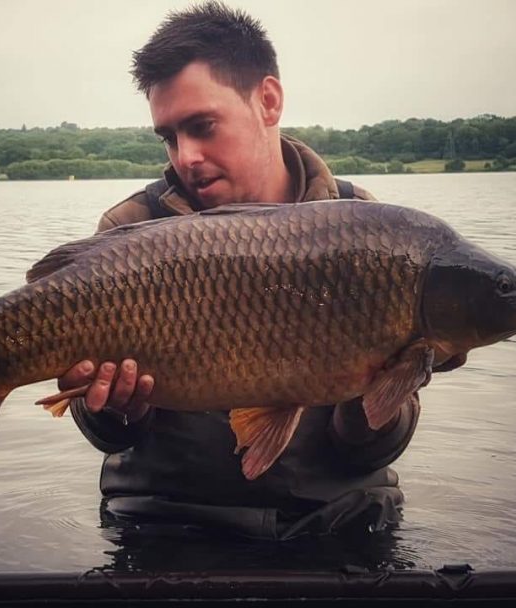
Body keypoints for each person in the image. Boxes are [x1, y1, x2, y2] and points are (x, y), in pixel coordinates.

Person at [58, 1, 420, 540]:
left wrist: (374, 389)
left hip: (335, 520)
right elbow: (108, 435)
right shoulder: (131, 229)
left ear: (268, 101)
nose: (186, 156)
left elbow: (374, 449)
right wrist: (117, 409)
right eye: (169, 137)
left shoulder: (368, 231)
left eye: (202, 127)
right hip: (171, 523)